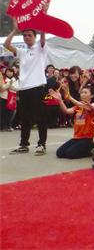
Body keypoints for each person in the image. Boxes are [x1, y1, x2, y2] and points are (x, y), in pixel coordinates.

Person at [5, 17, 49, 155]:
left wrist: (44, 15)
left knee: (40, 117)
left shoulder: (40, 49)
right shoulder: (22, 52)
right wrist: (15, 30)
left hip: (37, 87)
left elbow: (42, 39)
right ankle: (24, 144)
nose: (26, 38)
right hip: (24, 88)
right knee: (25, 118)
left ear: (34, 37)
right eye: (24, 36)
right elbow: (7, 44)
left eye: (29, 35)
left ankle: (41, 144)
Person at [49, 87, 94, 159]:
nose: (83, 95)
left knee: (70, 154)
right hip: (77, 137)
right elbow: (66, 111)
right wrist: (60, 100)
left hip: (89, 138)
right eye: (82, 93)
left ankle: (92, 150)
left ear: (92, 95)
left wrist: (69, 98)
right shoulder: (78, 106)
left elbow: (86, 107)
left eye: (85, 93)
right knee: (60, 153)